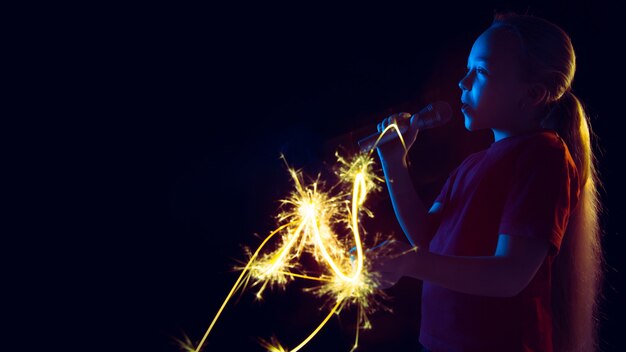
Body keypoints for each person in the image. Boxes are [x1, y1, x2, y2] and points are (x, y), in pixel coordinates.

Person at [374, 12, 603, 352]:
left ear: (534, 94)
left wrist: (410, 263)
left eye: (480, 71)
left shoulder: (544, 157)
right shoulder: (473, 163)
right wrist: (394, 162)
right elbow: (426, 237)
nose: (462, 82)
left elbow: (510, 274)